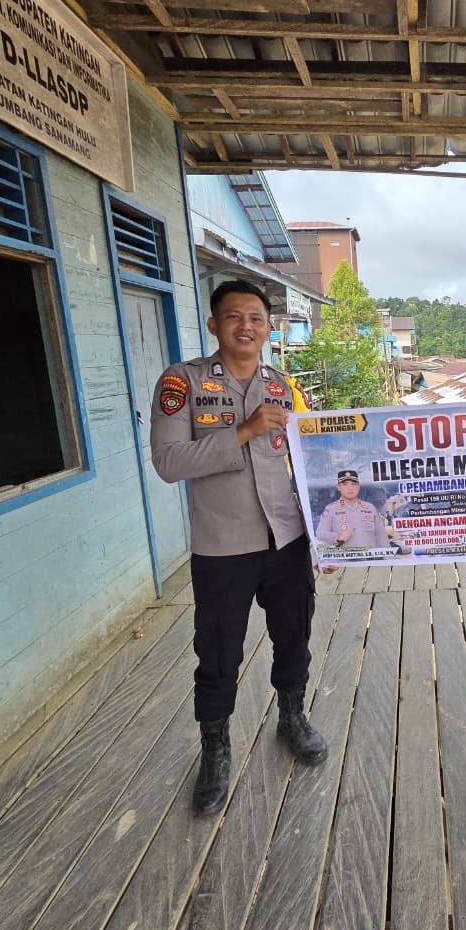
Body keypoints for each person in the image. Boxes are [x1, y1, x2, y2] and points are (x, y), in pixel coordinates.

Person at [150, 279, 328, 818]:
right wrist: (244, 431)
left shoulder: (284, 387)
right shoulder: (182, 382)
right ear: (214, 324)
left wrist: (326, 537)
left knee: (294, 635)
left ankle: (292, 716)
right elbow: (169, 463)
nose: (245, 326)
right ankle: (215, 748)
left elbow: (311, 463)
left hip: (287, 540)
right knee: (219, 651)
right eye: (233, 316)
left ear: (269, 328)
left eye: (255, 317)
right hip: (223, 546)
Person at [315, 469, 391, 550]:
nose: (350, 488)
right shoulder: (330, 509)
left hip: (370, 556)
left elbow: (381, 535)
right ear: (338, 487)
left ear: (358, 486)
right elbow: (320, 533)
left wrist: (387, 553)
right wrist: (337, 537)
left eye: (353, 484)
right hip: (344, 556)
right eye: (345, 484)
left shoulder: (370, 508)